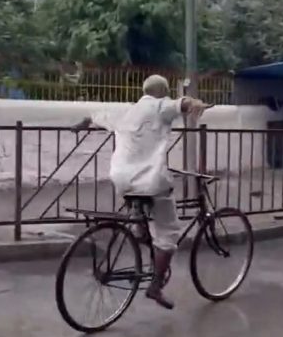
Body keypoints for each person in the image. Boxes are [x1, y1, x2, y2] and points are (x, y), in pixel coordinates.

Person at [72, 75, 211, 309]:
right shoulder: (160, 105)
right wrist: (197, 104)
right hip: (149, 179)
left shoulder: (129, 111)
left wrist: (83, 123)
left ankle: (141, 230)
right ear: (163, 92)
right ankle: (155, 287)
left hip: (121, 178)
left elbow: (96, 117)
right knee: (168, 235)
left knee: (145, 206)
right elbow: (182, 104)